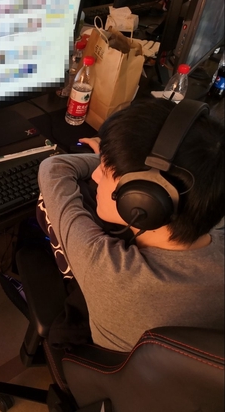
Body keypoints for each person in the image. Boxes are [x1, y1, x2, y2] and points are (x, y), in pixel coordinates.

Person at [36, 98, 224, 352]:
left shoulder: (111, 270)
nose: (96, 175)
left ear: (143, 199)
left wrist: (111, 158)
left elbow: (54, 167)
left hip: (97, 370)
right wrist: (118, 161)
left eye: (105, 171)